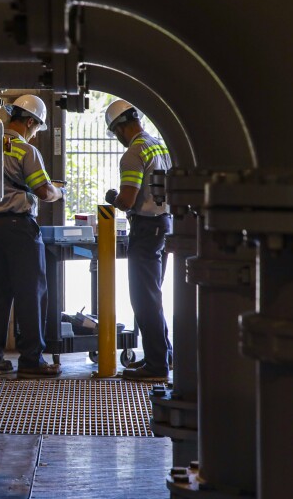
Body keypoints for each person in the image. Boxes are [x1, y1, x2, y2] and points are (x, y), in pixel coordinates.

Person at [0, 94, 67, 378]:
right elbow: (43, 191)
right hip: (19, 228)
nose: (35, 133)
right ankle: (31, 360)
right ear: (30, 122)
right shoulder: (25, 151)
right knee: (31, 293)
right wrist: (59, 191)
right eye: (37, 128)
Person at [103, 99, 173, 382]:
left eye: (115, 132)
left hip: (146, 229)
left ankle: (156, 365)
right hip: (165, 225)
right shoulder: (159, 145)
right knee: (153, 296)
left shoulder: (133, 153)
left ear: (120, 127)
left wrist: (113, 199)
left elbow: (127, 199)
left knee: (143, 298)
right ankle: (163, 354)